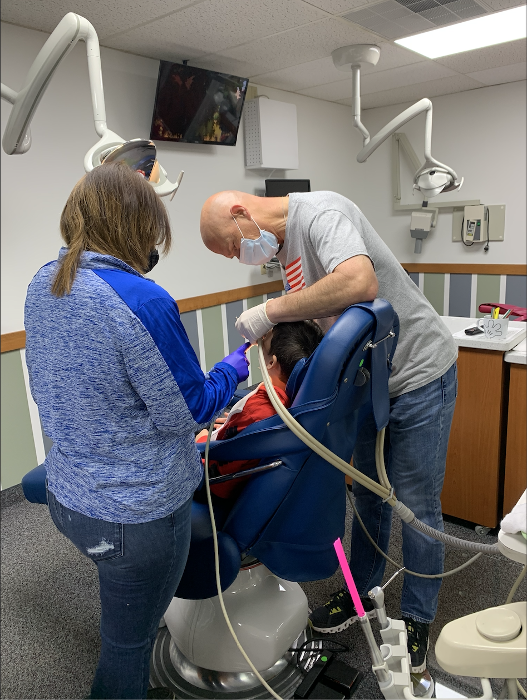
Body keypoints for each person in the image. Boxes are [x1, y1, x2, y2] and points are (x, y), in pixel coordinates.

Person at [199, 189, 458, 683]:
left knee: (417, 505)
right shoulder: (282, 248)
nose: (237, 258)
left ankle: (419, 618)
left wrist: (272, 311)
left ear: (241, 214)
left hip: (419, 373)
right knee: (366, 495)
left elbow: (359, 282)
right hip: (366, 381)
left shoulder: (322, 215)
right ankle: (360, 593)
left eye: (231, 247)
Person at [24, 163, 250, 700]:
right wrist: (233, 370)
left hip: (68, 496)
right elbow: (189, 411)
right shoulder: (143, 301)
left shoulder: (44, 281)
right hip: (135, 519)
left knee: (122, 617)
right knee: (127, 651)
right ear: (138, 226)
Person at [196, 320, 324, 504]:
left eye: (266, 339)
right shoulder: (296, 397)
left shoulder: (258, 412)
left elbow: (220, 462)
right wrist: (233, 425)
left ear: (271, 362)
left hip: (215, 486)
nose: (261, 340)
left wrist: (201, 440)